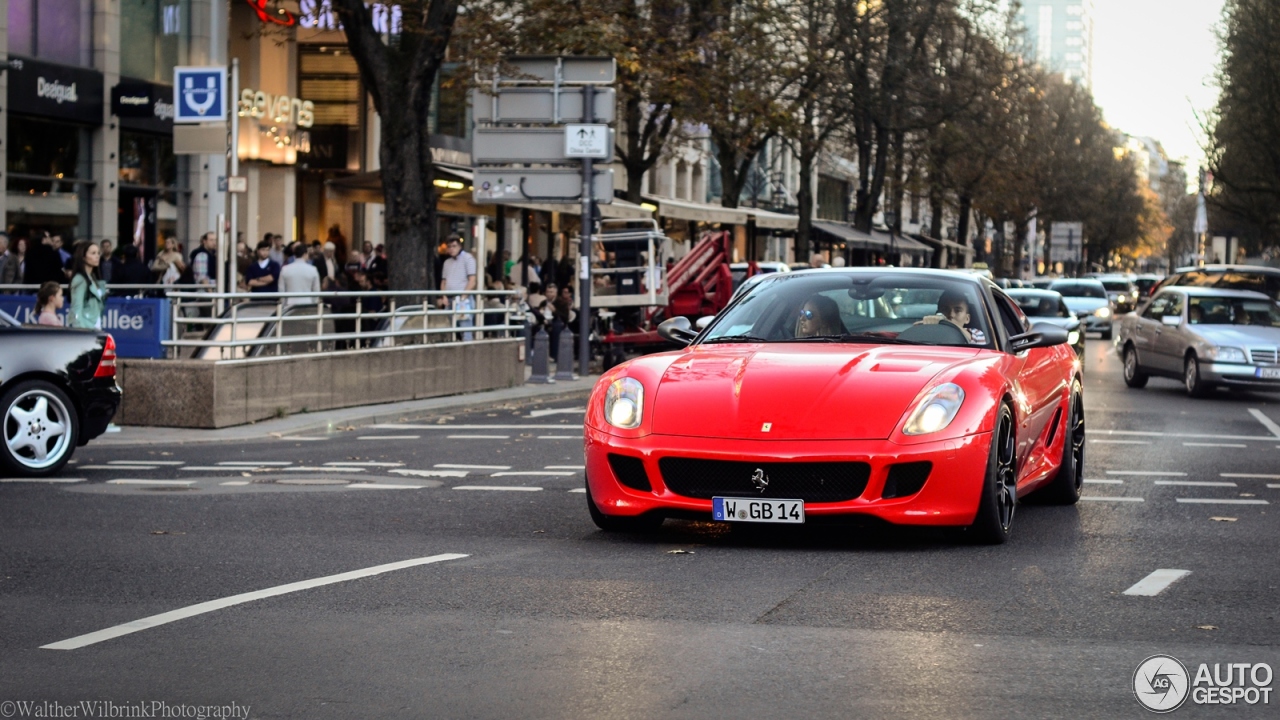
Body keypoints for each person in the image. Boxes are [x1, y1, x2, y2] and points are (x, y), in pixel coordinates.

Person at [439, 234, 477, 340]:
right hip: (449, 298)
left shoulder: (468, 258)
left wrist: (463, 297)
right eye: (449, 246)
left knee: (466, 329)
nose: (451, 249)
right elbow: (443, 282)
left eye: (454, 246)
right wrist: (444, 296)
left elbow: (472, 281)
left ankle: (467, 352)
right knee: (448, 329)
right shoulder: (447, 262)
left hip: (462, 299)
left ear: (460, 246)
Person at [916, 289, 986, 344]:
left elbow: (975, 341)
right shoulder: (927, 334)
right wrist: (922, 329)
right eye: (945, 309)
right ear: (937, 314)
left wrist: (945, 322)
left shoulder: (977, 334)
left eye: (957, 310)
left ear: (967, 318)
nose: (951, 315)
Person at [68, 241, 107, 329]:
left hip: (95, 326)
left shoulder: (93, 278)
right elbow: (76, 308)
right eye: (93, 253)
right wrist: (80, 330)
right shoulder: (80, 279)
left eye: (98, 253)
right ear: (83, 257)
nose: (97, 256)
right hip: (85, 327)